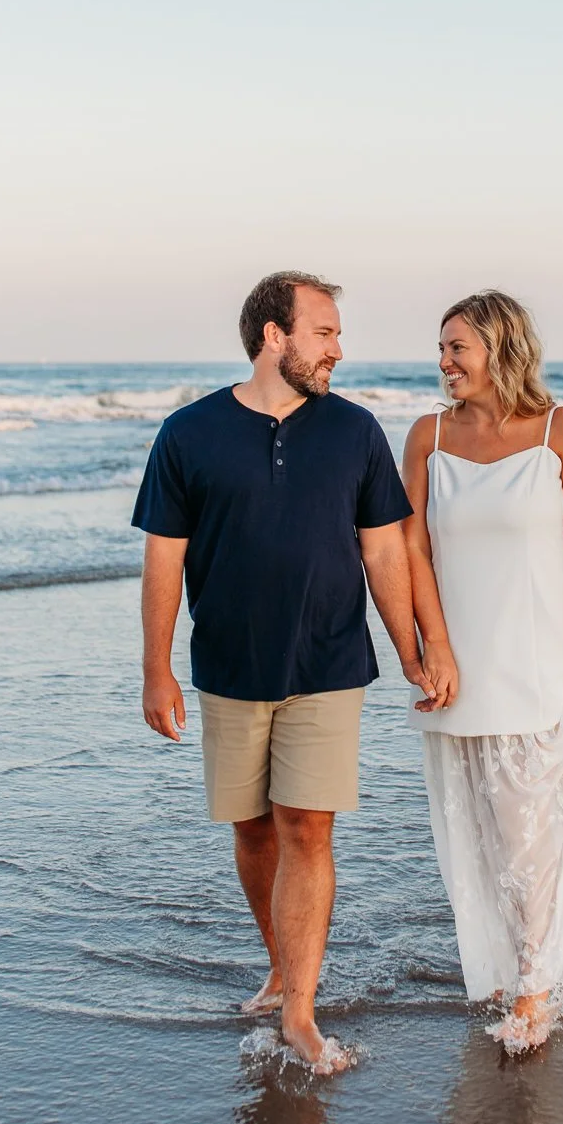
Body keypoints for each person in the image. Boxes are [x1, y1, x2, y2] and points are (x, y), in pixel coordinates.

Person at [133, 270, 442, 1075]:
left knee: (307, 826)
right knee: (252, 828)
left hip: (330, 659)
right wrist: (155, 670)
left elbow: (382, 549)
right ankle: (280, 961)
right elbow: (163, 557)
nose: (338, 348)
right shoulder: (187, 434)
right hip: (228, 667)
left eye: (336, 334)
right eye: (325, 332)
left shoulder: (354, 431)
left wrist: (409, 650)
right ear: (275, 336)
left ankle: (300, 1011)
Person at [403, 290, 563, 1054]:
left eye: (457, 347)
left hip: (545, 661)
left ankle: (535, 990)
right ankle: (506, 970)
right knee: (482, 830)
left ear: (500, 348)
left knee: (528, 828)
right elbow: (411, 552)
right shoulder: (426, 436)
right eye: (441, 348)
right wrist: (432, 646)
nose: (443, 362)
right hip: (461, 665)